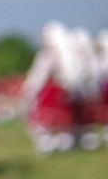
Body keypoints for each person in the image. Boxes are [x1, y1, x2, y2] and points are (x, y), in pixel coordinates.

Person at [21, 21, 87, 154]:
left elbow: (40, 74)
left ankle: (49, 145)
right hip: (64, 92)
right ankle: (64, 145)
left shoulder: (48, 54)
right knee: (64, 124)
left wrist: (30, 88)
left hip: (50, 91)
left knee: (44, 124)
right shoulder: (69, 55)